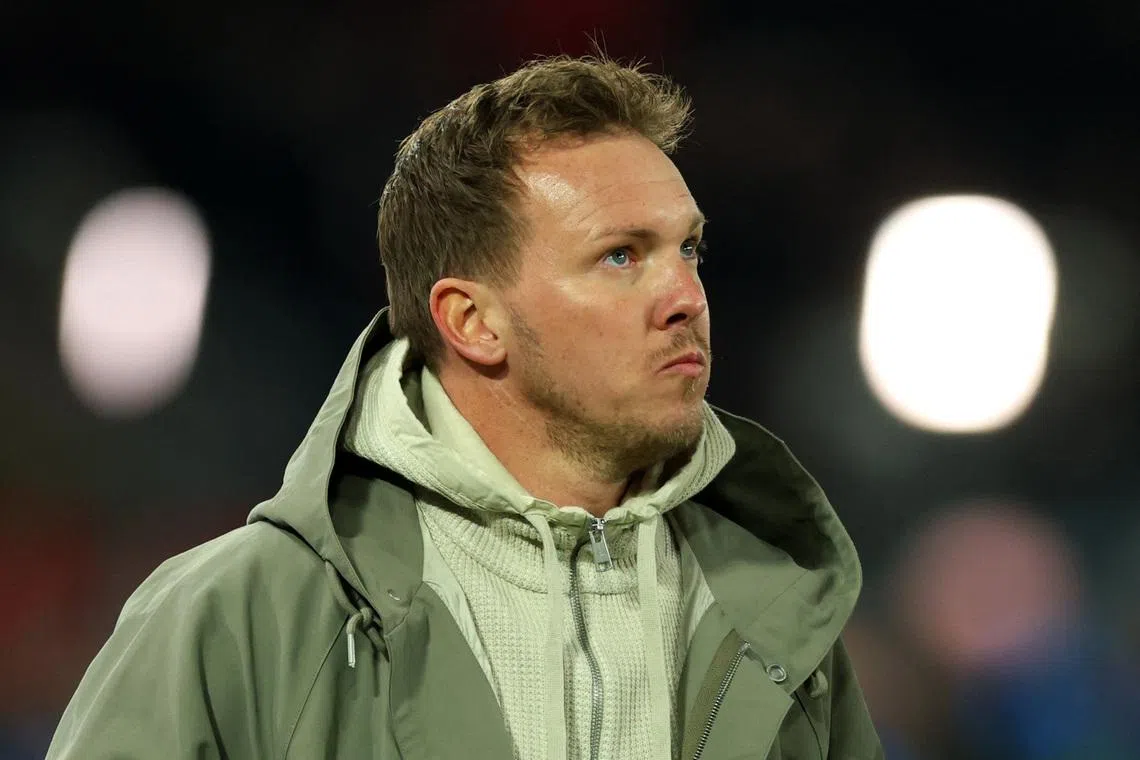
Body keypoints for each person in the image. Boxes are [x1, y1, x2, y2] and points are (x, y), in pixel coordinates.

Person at [47, 55, 883, 760]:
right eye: (621, 255)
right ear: (472, 321)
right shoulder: (238, 616)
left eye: (689, 248)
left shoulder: (782, 620)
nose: (686, 296)